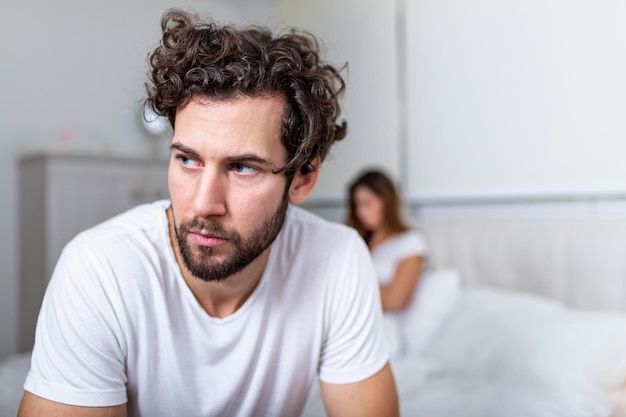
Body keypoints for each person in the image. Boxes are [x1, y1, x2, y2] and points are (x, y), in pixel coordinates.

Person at [18, 9, 398, 417]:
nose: (202, 204)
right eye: (188, 159)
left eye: (242, 168)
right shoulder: (99, 269)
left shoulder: (338, 258)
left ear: (303, 179)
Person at [346, 170, 428, 355]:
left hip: (382, 329)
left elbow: (395, 299)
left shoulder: (410, 242)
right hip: (350, 321)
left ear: (386, 201)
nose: (360, 212)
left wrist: (348, 291)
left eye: (367, 203)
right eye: (357, 205)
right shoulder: (357, 241)